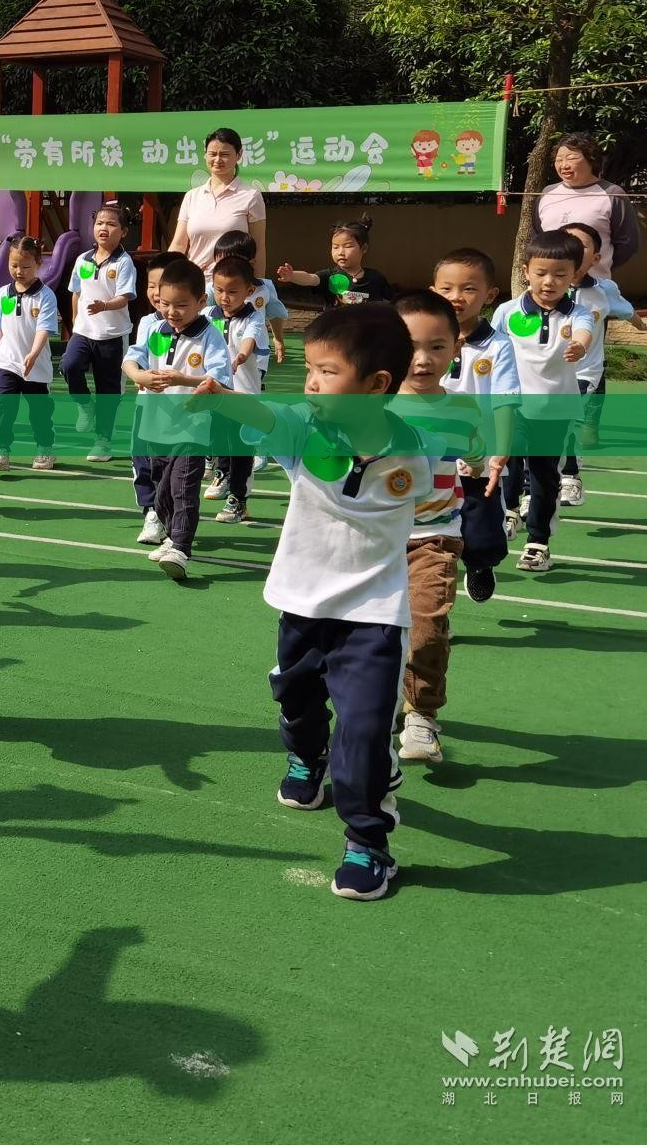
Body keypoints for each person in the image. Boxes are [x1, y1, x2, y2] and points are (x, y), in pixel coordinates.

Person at [193, 305, 443, 901]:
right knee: (298, 702)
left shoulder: (418, 449)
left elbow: (445, 502)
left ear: (376, 386)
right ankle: (307, 761)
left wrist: (480, 532)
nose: (310, 382)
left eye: (326, 371)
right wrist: (220, 396)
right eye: (309, 368)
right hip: (302, 606)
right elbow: (262, 411)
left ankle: (368, 844)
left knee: (364, 734)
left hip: (374, 617)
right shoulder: (304, 430)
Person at [389, 291, 482, 768]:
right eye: (409, 347)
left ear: (457, 346)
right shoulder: (373, 404)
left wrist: (489, 463)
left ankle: (421, 714)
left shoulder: (463, 408)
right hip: (377, 539)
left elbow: (477, 458)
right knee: (374, 632)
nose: (423, 361)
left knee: (427, 626)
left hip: (436, 536)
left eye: (437, 347)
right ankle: (374, 699)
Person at [121, 256, 233, 579]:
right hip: (156, 427)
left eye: (181, 305)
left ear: (202, 301)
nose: (172, 312)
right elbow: (131, 360)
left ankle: (181, 547)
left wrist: (182, 379)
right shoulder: (156, 329)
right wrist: (139, 377)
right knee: (162, 491)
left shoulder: (210, 336)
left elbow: (218, 379)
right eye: (166, 304)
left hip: (191, 429)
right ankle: (171, 536)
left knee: (183, 487)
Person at [492, 230, 595, 573]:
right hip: (512, 405)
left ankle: (538, 542)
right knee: (507, 462)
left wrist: (579, 345)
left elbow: (584, 331)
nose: (549, 281)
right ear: (526, 271)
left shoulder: (577, 314)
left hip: (554, 410)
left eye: (560, 274)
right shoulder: (507, 312)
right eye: (540, 273)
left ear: (575, 275)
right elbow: (492, 351)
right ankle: (509, 511)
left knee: (543, 475)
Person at [430, 247, 517, 603]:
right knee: (427, 539)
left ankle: (479, 565)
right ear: (433, 290)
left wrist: (502, 451)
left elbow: (506, 401)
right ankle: (433, 609)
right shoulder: (420, 338)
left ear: (490, 295)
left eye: (468, 289)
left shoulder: (498, 346)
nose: (456, 297)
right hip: (428, 457)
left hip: (477, 460)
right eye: (446, 288)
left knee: (481, 536)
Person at [559, 222, 644, 505]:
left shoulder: (603, 289)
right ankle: (535, 484)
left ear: (595, 258)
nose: (572, 248)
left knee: (567, 416)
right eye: (566, 241)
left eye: (581, 245)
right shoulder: (544, 289)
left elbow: (626, 309)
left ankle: (571, 477)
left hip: (586, 371)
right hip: (547, 373)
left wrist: (639, 324)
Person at [61, 202, 137, 462]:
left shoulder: (125, 262)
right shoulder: (83, 259)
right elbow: (76, 293)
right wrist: (74, 323)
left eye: (111, 224)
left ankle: (103, 441)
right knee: (69, 365)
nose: (104, 228)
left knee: (108, 391)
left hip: (113, 335)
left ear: (123, 231)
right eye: (99, 223)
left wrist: (104, 305)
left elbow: (125, 297)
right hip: (83, 332)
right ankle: (84, 405)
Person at [130, 251, 187, 546]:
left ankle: (174, 520)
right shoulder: (146, 322)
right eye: (151, 285)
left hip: (180, 412)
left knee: (173, 471)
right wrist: (138, 376)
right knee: (143, 460)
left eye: (161, 286)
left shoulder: (195, 325)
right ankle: (151, 511)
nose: (155, 293)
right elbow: (135, 359)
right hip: (148, 405)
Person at [208, 253, 270, 525]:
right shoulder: (207, 315)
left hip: (243, 392)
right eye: (219, 290)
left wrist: (241, 356)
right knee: (217, 436)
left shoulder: (253, 318)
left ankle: (238, 499)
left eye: (232, 291)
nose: (225, 297)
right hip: (215, 390)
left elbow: (248, 342)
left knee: (240, 445)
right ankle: (221, 474)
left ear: (249, 290)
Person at [0, 234, 61, 474]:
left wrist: (32, 354)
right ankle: (1, 450)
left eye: (25, 266)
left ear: (38, 263)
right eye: (14, 265)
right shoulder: (2, 294)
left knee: (39, 412)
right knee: (3, 407)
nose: (19, 271)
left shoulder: (46, 296)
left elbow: (44, 329)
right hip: (7, 363)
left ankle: (45, 446)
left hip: (36, 366)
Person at [528, 132, 640, 280]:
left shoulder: (612, 193)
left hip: (595, 285)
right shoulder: (547, 193)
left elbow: (627, 243)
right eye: (559, 160)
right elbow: (537, 236)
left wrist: (599, 265)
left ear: (591, 159)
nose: (564, 165)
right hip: (551, 286)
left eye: (572, 158)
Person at [167, 127, 266, 272]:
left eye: (225, 154)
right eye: (212, 154)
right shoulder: (192, 196)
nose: (217, 160)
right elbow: (179, 244)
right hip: (195, 285)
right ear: (205, 155)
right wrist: (167, 276)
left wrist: (259, 286)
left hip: (234, 287)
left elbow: (258, 247)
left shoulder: (251, 196)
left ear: (239, 155)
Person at [205, 228, 287, 365]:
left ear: (252, 263)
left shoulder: (264, 287)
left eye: (234, 263)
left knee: (251, 384)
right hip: (220, 352)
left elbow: (275, 313)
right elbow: (201, 318)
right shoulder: (212, 290)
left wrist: (278, 339)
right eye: (221, 263)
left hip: (256, 355)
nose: (227, 269)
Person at [276, 216, 392, 307]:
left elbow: (392, 303)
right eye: (335, 247)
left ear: (364, 248)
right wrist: (292, 276)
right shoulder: (330, 276)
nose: (341, 252)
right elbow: (310, 278)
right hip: (336, 331)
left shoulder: (376, 278)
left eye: (347, 246)